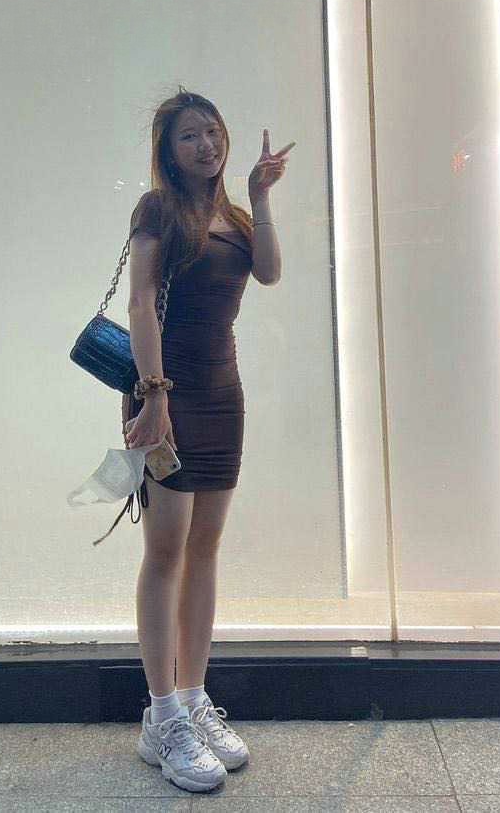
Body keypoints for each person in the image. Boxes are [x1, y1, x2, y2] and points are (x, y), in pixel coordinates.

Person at [123, 86, 293, 793]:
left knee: (205, 549)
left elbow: (270, 271)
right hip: (167, 393)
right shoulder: (158, 209)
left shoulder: (237, 217)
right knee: (166, 552)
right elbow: (140, 302)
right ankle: (161, 716)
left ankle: (194, 698)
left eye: (213, 132)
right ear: (169, 150)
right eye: (190, 135)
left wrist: (260, 195)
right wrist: (154, 395)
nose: (206, 145)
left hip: (224, 395)